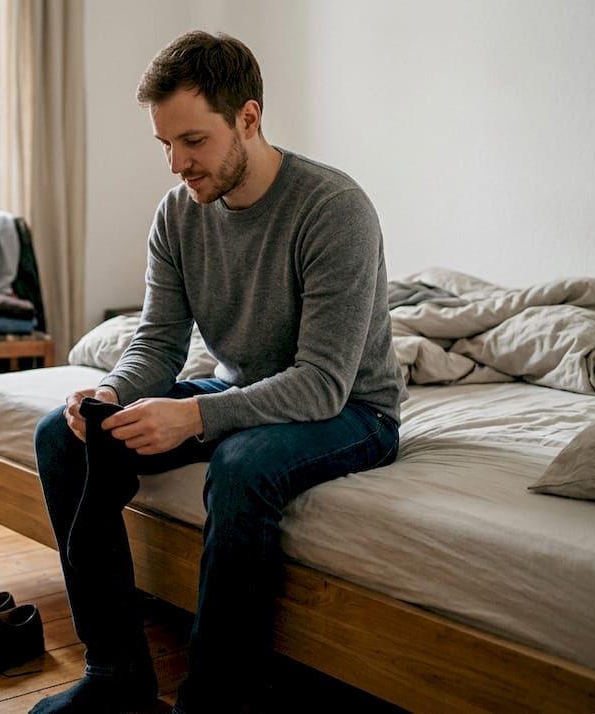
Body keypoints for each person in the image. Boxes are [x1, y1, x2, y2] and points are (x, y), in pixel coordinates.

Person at [29, 30, 404, 714]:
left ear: (248, 120)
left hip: (353, 409)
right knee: (63, 435)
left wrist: (194, 416)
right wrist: (110, 395)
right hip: (246, 387)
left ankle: (215, 701)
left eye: (193, 141)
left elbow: (321, 382)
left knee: (241, 464)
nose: (177, 163)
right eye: (165, 144)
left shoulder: (332, 209)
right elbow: (159, 343)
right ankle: (116, 676)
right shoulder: (178, 215)